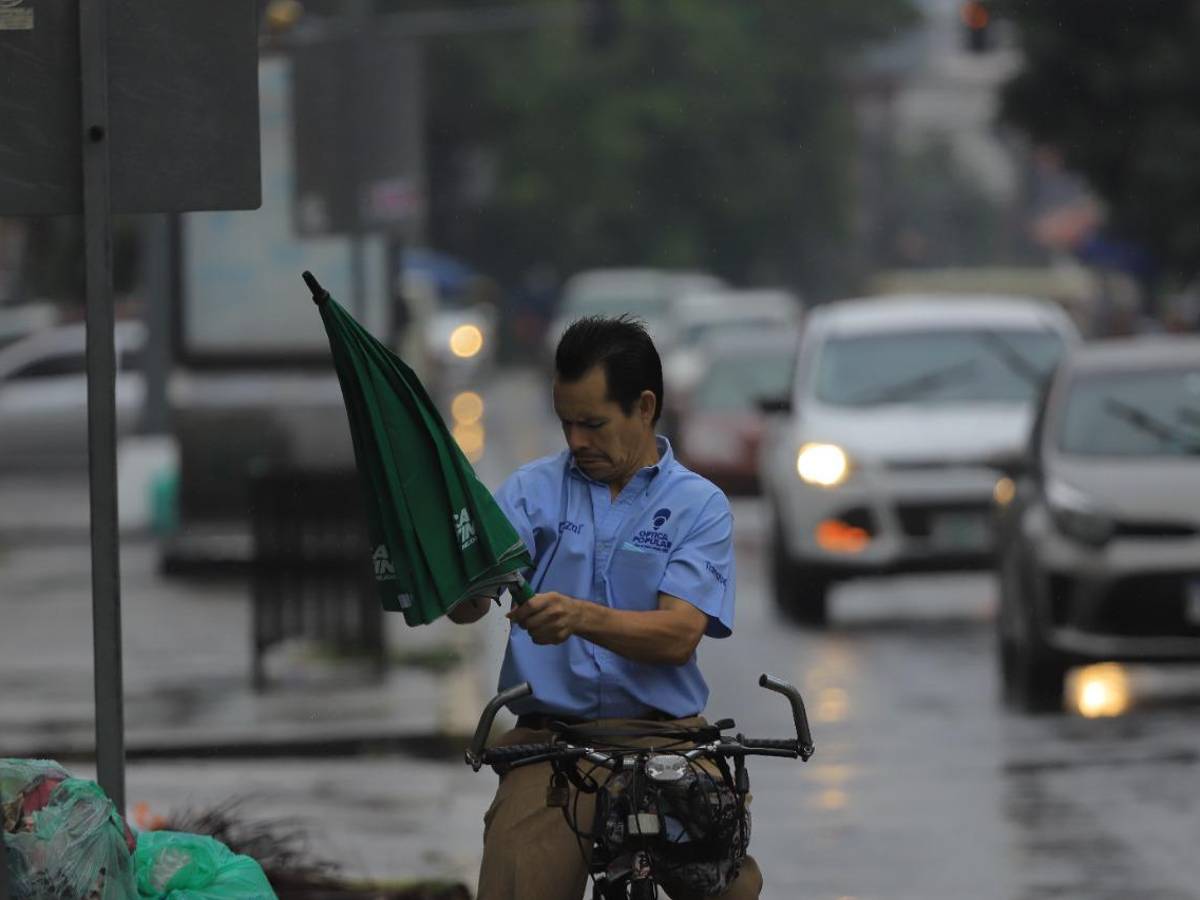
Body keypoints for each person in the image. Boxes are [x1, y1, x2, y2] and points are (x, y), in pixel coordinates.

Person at [449, 315, 761, 900]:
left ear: (644, 408)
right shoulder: (527, 493)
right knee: (517, 880)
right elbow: (470, 608)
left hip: (664, 738)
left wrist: (579, 617)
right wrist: (457, 580)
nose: (576, 442)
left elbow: (677, 636)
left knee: (731, 886)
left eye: (593, 424)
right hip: (553, 741)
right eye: (566, 423)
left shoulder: (699, 506)